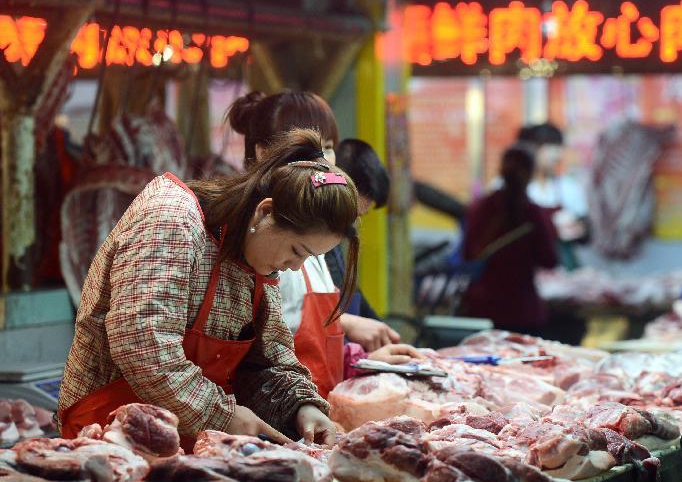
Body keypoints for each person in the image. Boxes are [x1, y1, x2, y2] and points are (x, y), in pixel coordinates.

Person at [58, 128, 349, 447]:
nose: (295, 267)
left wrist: (303, 407)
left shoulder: (254, 257)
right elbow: (141, 342)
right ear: (265, 213)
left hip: (182, 447)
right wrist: (221, 415)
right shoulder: (172, 219)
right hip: (109, 438)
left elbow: (268, 359)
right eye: (297, 251)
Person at [227, 91, 417, 397]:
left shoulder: (313, 235)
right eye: (312, 148)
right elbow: (259, 357)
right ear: (264, 152)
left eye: (329, 148)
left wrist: (359, 361)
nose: (325, 161)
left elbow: (308, 346)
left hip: (310, 408)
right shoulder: (253, 239)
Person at [461, 144, 558, 336]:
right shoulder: (532, 213)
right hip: (522, 311)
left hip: (483, 309)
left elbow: (467, 254)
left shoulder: (482, 208)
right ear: (530, 174)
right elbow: (550, 260)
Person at [329, 138, 390, 320]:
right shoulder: (312, 241)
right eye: (353, 213)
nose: (354, 222)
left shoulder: (335, 239)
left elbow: (350, 290)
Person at [518, 122, 589, 270]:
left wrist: (580, 228)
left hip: (564, 272)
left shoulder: (567, 187)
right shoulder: (511, 189)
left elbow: (587, 233)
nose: (557, 154)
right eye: (549, 147)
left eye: (559, 147)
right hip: (525, 271)